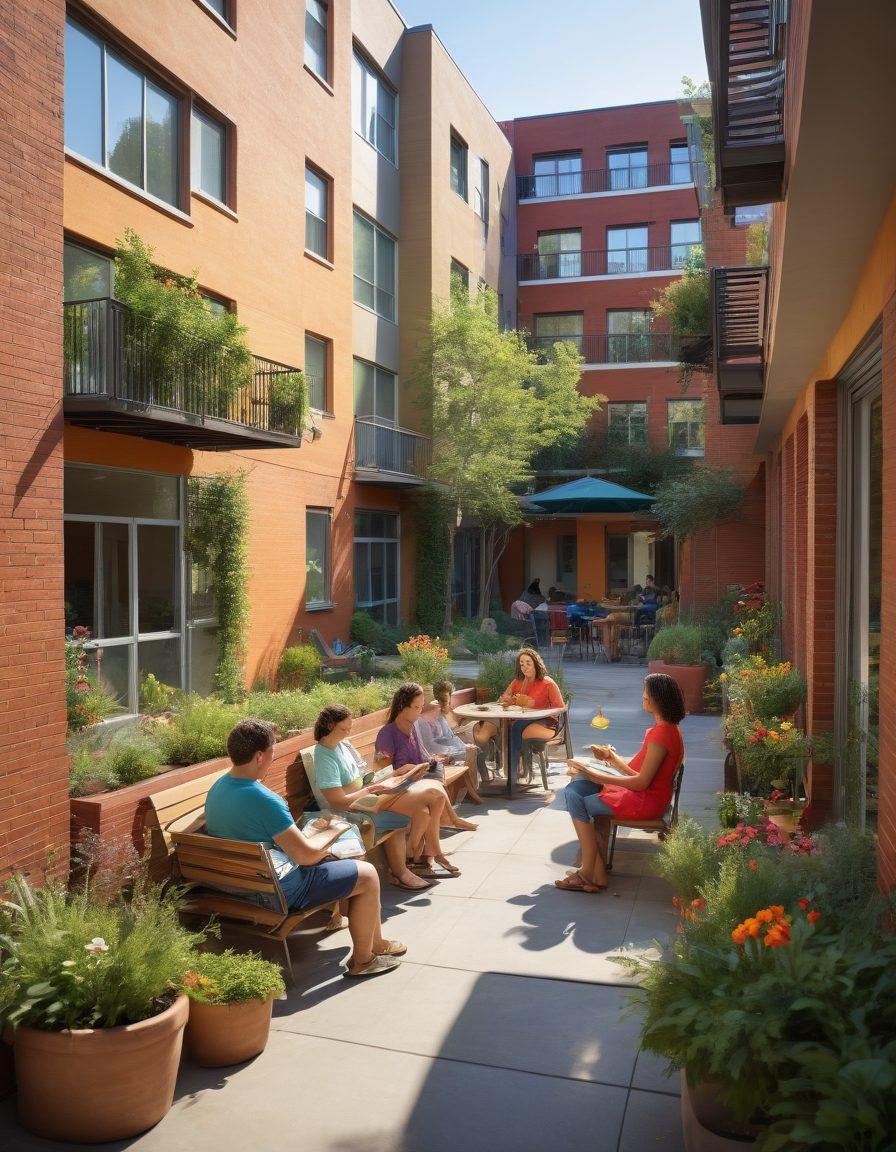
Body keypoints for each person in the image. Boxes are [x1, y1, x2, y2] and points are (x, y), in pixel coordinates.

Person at [205, 719, 404, 978]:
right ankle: (364, 960)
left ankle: (375, 943)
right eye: (273, 753)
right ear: (260, 756)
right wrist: (329, 838)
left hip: (231, 882)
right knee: (367, 874)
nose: (272, 760)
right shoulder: (266, 800)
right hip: (275, 891)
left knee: (341, 861)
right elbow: (305, 856)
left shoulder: (217, 789)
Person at [555, 673, 685, 893]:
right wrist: (610, 758)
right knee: (576, 790)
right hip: (647, 796)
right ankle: (597, 874)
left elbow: (640, 782)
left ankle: (589, 872)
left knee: (577, 799)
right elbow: (638, 772)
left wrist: (597, 776)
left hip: (645, 802)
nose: (643, 696)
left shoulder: (662, 735)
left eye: (646, 692)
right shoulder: (665, 730)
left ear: (658, 698)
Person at [312, 705, 431, 892]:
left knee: (421, 807)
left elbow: (364, 778)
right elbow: (337, 802)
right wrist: (372, 790)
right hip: (348, 811)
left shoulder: (343, 745)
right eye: (344, 729)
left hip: (365, 800)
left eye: (350, 728)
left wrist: (396, 774)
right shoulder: (324, 756)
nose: (348, 732)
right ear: (329, 725)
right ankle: (405, 869)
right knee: (410, 815)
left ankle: (407, 867)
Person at [375, 682, 470, 879]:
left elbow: (423, 758)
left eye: (421, 706)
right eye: (417, 707)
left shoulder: (413, 729)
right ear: (403, 707)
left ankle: (419, 857)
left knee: (428, 808)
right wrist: (404, 770)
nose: (420, 712)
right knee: (435, 792)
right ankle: (434, 854)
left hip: (417, 783)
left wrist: (433, 761)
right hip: (397, 789)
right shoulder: (388, 733)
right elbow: (382, 772)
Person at [472, 648, 564, 787]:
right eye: (521, 664)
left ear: (536, 664)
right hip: (521, 720)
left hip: (546, 722)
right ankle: (514, 770)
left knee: (514, 730)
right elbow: (503, 698)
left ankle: (514, 774)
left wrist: (540, 710)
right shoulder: (517, 682)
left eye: (528, 663)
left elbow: (560, 707)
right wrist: (508, 700)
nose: (524, 667)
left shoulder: (547, 683)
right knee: (506, 728)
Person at [416, 682, 483, 798]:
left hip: (447, 748)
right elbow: (430, 746)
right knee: (470, 752)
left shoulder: (436, 714)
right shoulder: (421, 721)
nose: (438, 705)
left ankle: (470, 789)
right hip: (435, 754)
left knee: (472, 749)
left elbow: (450, 736)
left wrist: (463, 746)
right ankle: (471, 792)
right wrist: (460, 750)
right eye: (434, 702)